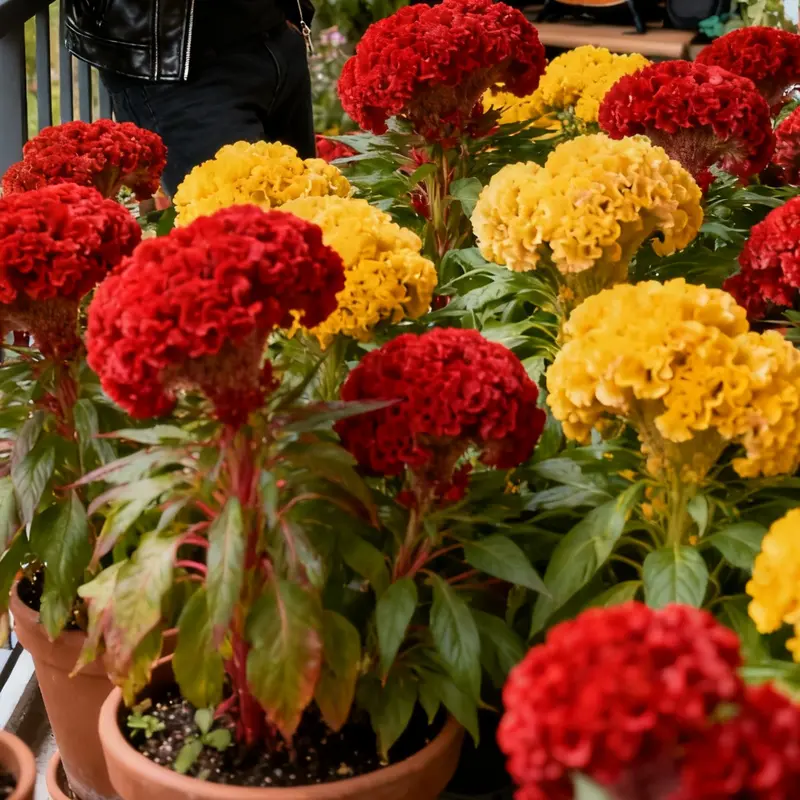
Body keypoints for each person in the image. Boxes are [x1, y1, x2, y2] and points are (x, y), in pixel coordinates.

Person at [63, 0, 317, 195]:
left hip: (274, 35)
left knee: (310, 234)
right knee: (237, 248)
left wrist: (296, 10)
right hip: (175, 68)